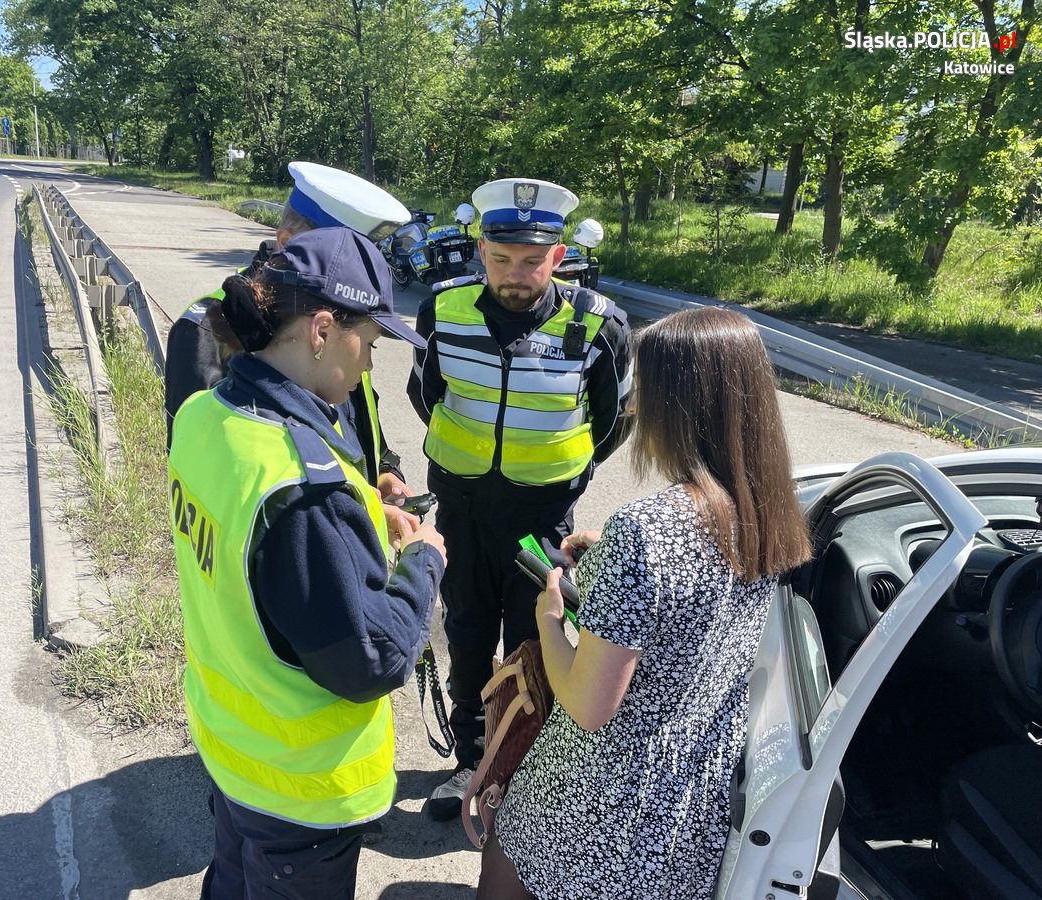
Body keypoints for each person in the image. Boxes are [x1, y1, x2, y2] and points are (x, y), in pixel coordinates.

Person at [476, 306, 814, 899]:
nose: (633, 405)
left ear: (680, 404)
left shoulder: (647, 531)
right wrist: (607, 560)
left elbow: (588, 705)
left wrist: (550, 619)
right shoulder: (767, 511)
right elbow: (686, 615)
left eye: (644, 390)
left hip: (589, 814)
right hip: (684, 816)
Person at [169, 227, 447, 900]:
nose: (368, 367)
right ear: (322, 330)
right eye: (370, 344)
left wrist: (361, 520)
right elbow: (371, 658)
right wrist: (421, 564)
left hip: (233, 750)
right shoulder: (304, 482)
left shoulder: (206, 415)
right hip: (300, 786)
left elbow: (251, 553)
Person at [406, 177, 633, 819]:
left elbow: (613, 419)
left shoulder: (597, 323)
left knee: (539, 637)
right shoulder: (442, 311)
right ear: (481, 250)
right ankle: (472, 762)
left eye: (532, 261)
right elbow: (426, 396)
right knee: (468, 633)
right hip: (464, 514)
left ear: (557, 257)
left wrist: (562, 473)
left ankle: (523, 769)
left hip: (540, 522)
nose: (515, 274)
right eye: (501, 259)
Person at [163, 161, 413, 503]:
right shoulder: (209, 326)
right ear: (285, 242)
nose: (358, 273)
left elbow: (358, 411)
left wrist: (383, 472)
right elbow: (203, 464)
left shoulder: (338, 318)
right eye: (341, 253)